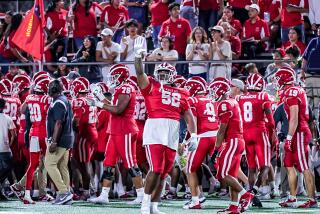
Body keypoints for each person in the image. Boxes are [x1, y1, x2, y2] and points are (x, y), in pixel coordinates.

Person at [134, 52, 197, 214]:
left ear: (172, 75)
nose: (162, 76)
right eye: (160, 73)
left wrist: (194, 135)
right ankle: (145, 203)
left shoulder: (182, 92)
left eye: (165, 74)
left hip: (172, 131)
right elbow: (140, 73)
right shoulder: (151, 86)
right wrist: (138, 58)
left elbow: (189, 117)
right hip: (155, 127)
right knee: (155, 168)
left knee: (164, 172)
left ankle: (155, 205)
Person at [88, 64, 144, 205]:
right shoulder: (121, 88)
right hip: (116, 131)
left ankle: (141, 195)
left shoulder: (126, 88)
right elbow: (112, 105)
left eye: (114, 77)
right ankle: (104, 195)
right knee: (109, 162)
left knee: (131, 163)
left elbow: (118, 110)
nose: (111, 79)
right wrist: (100, 97)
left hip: (124, 130)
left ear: (121, 77)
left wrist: (99, 104)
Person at [208, 77, 254, 213]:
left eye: (214, 90)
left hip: (232, 141)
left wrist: (216, 149)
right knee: (232, 174)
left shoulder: (224, 104)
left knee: (222, 174)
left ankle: (246, 195)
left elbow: (222, 130)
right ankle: (234, 206)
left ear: (220, 91)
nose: (212, 93)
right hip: (237, 141)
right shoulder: (232, 101)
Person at [275, 67, 318, 208]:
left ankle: (312, 199)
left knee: (305, 167)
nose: (277, 82)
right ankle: (292, 198)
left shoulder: (292, 92)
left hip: (298, 132)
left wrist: (288, 138)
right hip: (296, 132)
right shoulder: (295, 90)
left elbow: (294, 119)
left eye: (278, 78)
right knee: (288, 165)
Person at [236, 73, 275, 202]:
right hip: (259, 132)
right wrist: (273, 133)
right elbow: (270, 120)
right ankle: (255, 190)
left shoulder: (240, 98)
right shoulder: (263, 96)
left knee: (251, 167)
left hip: (245, 133)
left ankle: (250, 195)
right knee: (265, 165)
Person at [183, 76, 219, 209]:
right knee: (226, 169)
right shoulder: (211, 100)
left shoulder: (193, 100)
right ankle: (244, 193)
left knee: (190, 169)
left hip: (202, 137)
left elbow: (193, 122)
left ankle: (195, 201)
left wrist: (186, 140)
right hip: (215, 136)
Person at [44, 79, 74, 205]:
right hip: (67, 138)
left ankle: (63, 192)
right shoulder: (63, 99)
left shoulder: (58, 102)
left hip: (60, 139)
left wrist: (54, 142)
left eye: (50, 87)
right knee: (62, 166)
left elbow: (58, 123)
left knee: (49, 164)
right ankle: (66, 194)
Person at [70, 77, 98, 200]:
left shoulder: (79, 101)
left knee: (83, 164)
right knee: (81, 162)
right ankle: (89, 188)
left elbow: (76, 121)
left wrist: (74, 132)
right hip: (93, 132)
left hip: (84, 134)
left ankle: (87, 191)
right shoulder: (92, 99)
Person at [159, 2, 192, 78]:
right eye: (174, 9)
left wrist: (187, 50)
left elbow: (189, 37)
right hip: (168, 54)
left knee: (179, 75)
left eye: (178, 9)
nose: (177, 11)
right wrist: (165, 39)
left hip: (181, 53)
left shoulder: (185, 22)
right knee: (168, 75)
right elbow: (160, 37)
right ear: (169, 12)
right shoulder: (165, 23)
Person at [0, 98, 16, 201]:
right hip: (5, 149)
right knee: (8, 168)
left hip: (4, 149)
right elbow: (13, 135)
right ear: (4, 107)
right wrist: (9, 144)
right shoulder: (8, 118)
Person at [301, 27, 320, 112]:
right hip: (309, 75)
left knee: (317, 101)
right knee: (308, 100)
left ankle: (316, 122)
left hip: (318, 76)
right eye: (319, 28)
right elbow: (305, 58)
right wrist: (302, 71)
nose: (319, 30)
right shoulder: (313, 41)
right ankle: (309, 121)